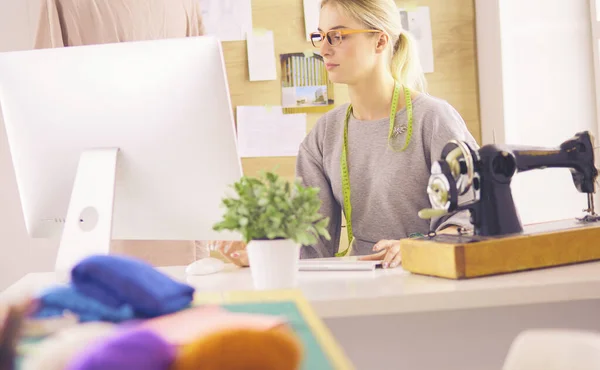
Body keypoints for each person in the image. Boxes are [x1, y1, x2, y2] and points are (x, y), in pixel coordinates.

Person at [220, 0, 478, 269]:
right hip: (361, 282)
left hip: (433, 277)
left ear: (380, 42)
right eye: (320, 36)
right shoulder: (325, 133)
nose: (323, 49)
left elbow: (474, 214)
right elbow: (311, 240)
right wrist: (264, 253)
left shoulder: (434, 119)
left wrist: (420, 246)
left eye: (338, 36)